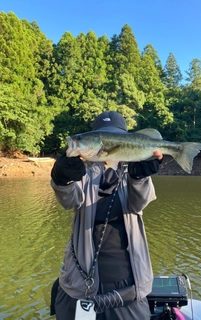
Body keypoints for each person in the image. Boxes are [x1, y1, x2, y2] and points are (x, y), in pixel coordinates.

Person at [50, 111, 163, 320]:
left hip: (128, 283)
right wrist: (61, 178)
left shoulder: (135, 169)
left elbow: (140, 203)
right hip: (80, 281)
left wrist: (138, 178)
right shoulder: (80, 171)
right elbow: (69, 200)